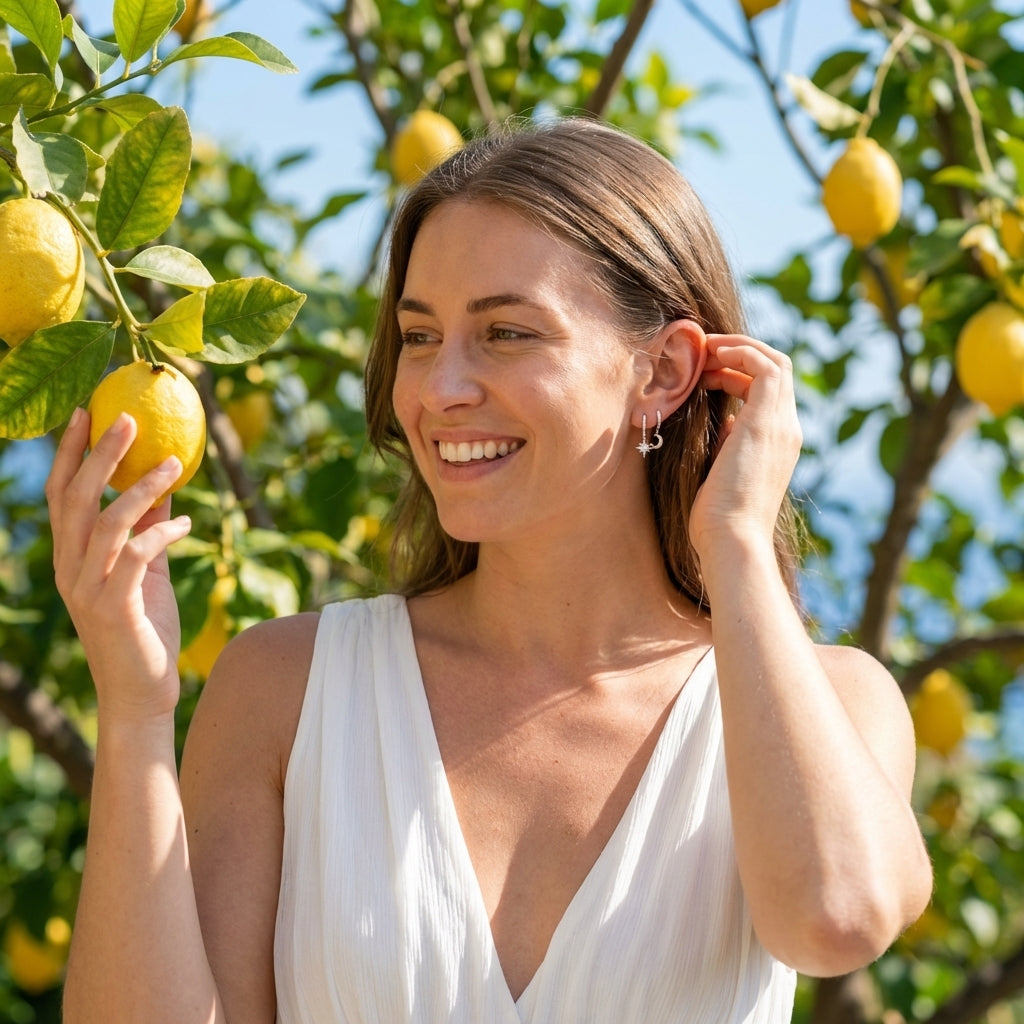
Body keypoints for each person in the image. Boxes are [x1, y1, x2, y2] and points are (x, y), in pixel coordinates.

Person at [48, 117, 933, 1024]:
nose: (438, 390)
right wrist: (135, 714)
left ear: (664, 371)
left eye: (505, 333)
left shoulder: (832, 704)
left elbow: (836, 920)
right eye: (420, 337)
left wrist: (739, 541)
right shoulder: (284, 688)